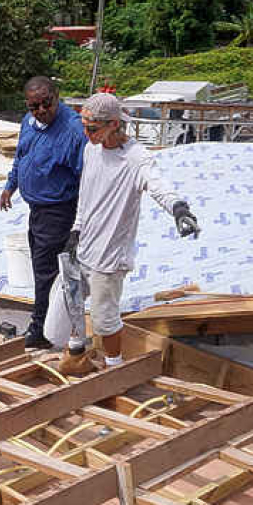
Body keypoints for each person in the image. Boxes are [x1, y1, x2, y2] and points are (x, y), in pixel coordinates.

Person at [64, 92, 200, 371]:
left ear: (114, 124)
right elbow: (86, 194)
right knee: (72, 300)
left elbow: (158, 185)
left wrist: (179, 208)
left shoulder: (136, 158)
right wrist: (76, 229)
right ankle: (76, 355)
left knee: (104, 318)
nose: (87, 133)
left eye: (92, 128)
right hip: (85, 244)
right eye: (84, 127)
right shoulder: (92, 149)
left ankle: (114, 366)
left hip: (109, 255)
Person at [0, 76, 87, 350]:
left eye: (46, 104)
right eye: (33, 106)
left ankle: (41, 331)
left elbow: (87, 179)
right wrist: (10, 186)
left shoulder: (73, 130)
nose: (40, 111)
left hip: (59, 211)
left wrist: (80, 223)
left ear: (57, 97)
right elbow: (21, 156)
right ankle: (53, 326)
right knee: (43, 270)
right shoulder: (28, 122)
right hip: (37, 210)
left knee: (47, 273)